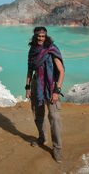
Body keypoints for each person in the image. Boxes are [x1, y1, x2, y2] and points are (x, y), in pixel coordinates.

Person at [25, 27, 65, 163]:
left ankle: (57, 148)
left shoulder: (51, 49)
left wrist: (57, 90)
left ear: (46, 36)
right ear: (34, 36)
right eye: (37, 36)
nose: (40, 38)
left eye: (42, 36)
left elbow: (61, 71)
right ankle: (42, 138)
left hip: (51, 85)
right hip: (37, 85)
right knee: (37, 114)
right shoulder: (33, 50)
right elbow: (30, 69)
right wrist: (27, 87)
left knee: (54, 117)